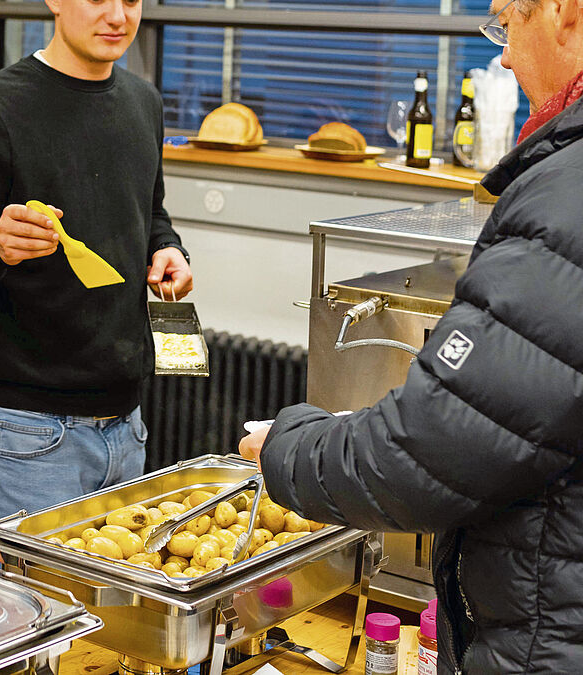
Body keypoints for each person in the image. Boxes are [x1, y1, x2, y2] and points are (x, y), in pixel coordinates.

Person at [239, 0, 583, 670]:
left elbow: (431, 449)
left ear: (564, 11)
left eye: (507, 22)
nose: (504, 56)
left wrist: (287, 444)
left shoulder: (565, 196)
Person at [0, 0, 193, 562]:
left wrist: (168, 249)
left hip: (128, 426)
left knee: (106, 631)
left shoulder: (144, 102)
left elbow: (150, 213)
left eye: (132, 0)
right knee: (22, 634)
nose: (118, 15)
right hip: (28, 437)